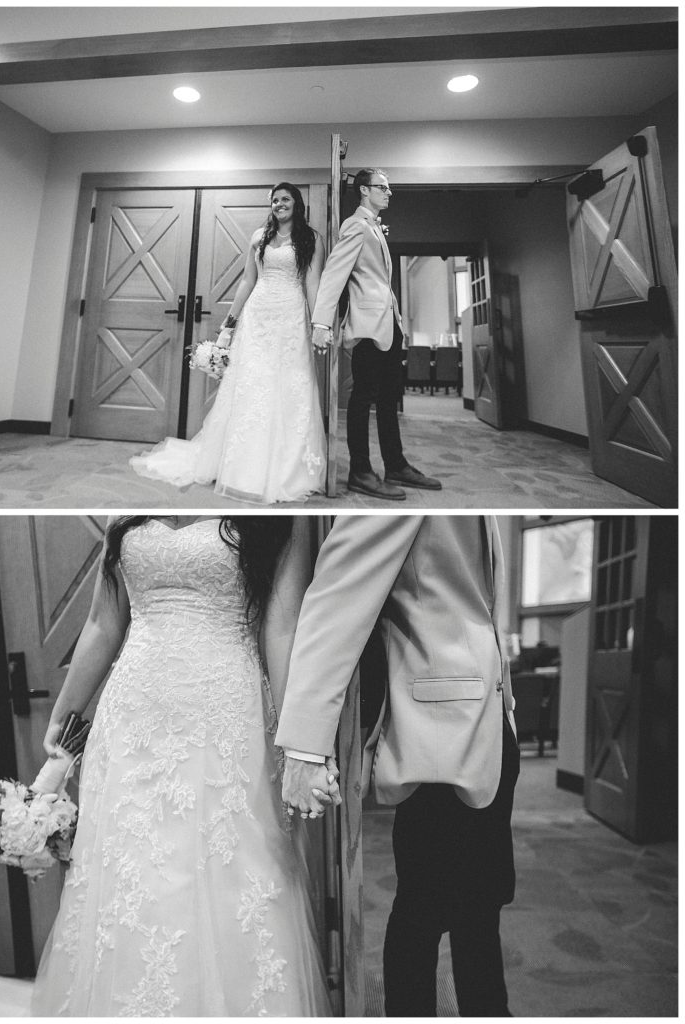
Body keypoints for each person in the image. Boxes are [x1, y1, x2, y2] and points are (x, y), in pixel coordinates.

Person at [0, 515, 334, 1017]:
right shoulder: (122, 508)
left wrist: (298, 743)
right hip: (132, 719)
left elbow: (282, 628)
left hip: (225, 720)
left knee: (227, 871)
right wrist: (65, 717)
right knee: (131, 877)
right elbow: (103, 622)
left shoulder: (276, 512)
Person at [276, 515, 519, 1016]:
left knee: (481, 907)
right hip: (439, 735)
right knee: (422, 911)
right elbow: (338, 598)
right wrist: (304, 743)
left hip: (494, 724)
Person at [130, 183, 327, 504]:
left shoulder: (311, 239)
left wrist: (321, 322)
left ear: (297, 203)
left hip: (291, 317)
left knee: (291, 385)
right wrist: (229, 325)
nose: (279, 204)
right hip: (258, 317)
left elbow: (313, 282)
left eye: (285, 199)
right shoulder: (258, 237)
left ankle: (285, 468)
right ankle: (240, 464)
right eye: (275, 200)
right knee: (251, 385)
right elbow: (248, 281)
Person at [310, 169, 442, 501]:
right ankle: (360, 472)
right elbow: (334, 274)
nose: (389, 193)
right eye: (383, 187)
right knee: (363, 396)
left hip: (388, 323)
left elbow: (381, 280)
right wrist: (322, 324)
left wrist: (398, 320)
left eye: (389, 188)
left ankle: (395, 464)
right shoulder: (355, 225)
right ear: (365, 190)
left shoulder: (374, 225)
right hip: (368, 325)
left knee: (389, 397)